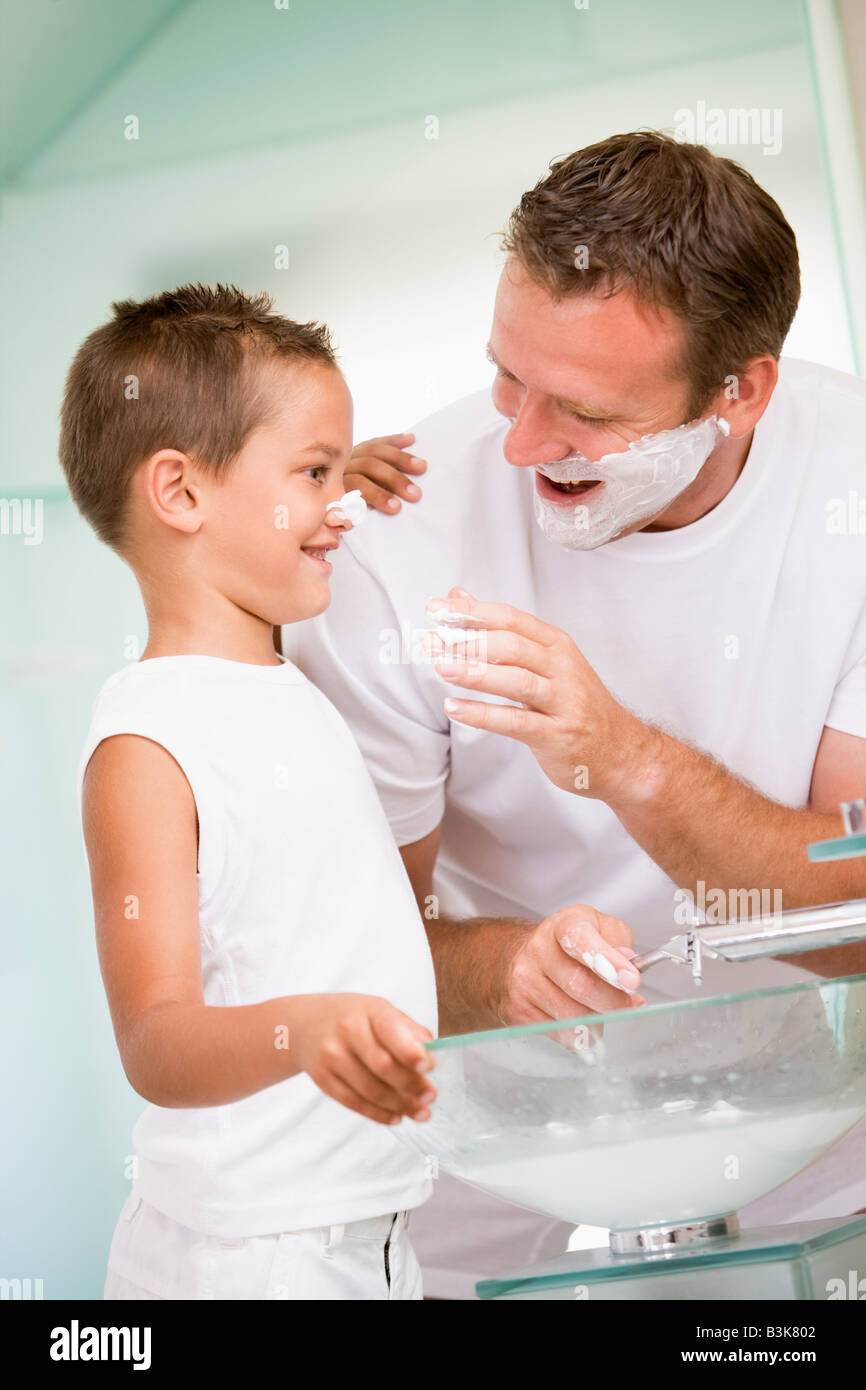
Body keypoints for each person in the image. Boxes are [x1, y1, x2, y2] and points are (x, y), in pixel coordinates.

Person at [286, 131, 866, 1296]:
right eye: (508, 375)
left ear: (738, 390)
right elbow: (350, 948)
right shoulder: (398, 535)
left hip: (820, 1144)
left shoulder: (847, 484)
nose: (518, 441)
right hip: (506, 1163)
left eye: (584, 411)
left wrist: (624, 762)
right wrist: (507, 970)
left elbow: (853, 925)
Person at [60, 283, 458, 1300]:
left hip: (367, 1234)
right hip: (248, 1259)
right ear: (182, 496)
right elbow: (155, 1037)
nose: (341, 503)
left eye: (341, 469)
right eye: (314, 471)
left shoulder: (278, 676)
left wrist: (316, 494)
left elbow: (265, 544)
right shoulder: (146, 745)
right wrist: (304, 1029)